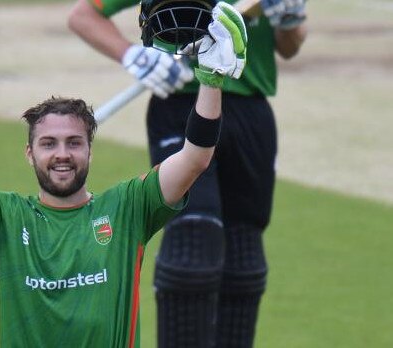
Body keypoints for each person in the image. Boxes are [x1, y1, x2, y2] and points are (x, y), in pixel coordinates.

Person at [0, 2, 247, 347]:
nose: (62, 155)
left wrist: (211, 82)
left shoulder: (128, 208)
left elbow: (196, 157)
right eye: (49, 144)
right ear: (30, 153)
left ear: (89, 149)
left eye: (74, 143)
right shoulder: (4, 218)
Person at [68, 0, 307, 347]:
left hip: (251, 107)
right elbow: (83, 15)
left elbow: (290, 46)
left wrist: (290, 22)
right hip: (181, 106)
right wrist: (134, 56)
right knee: (192, 249)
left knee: (244, 261)